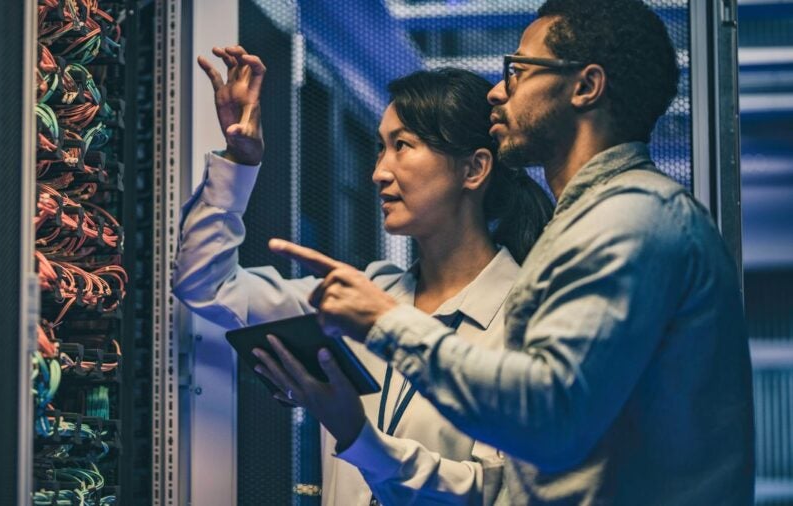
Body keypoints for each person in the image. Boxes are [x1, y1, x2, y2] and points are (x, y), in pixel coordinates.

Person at [266, 0, 756, 504]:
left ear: (585, 87)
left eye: (519, 71)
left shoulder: (630, 218)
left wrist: (386, 324)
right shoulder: (589, 224)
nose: (498, 91)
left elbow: (546, 416)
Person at [172, 45, 553, 505]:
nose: (378, 172)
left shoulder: (528, 319)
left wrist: (356, 433)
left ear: (473, 169)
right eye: (380, 147)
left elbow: (494, 492)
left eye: (403, 147)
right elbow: (205, 285)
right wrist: (238, 160)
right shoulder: (362, 297)